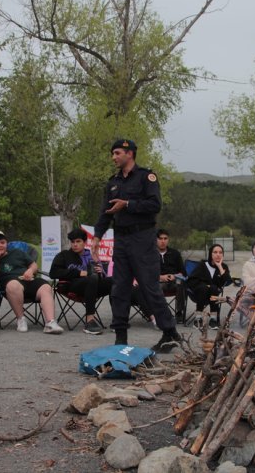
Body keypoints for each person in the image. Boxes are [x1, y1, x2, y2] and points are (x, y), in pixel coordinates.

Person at [91, 139, 181, 351]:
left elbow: (155, 204)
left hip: (142, 238)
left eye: (117, 153)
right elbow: (106, 212)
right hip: (121, 240)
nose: (113, 157)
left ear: (130, 154)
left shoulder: (145, 177)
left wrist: (128, 204)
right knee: (119, 288)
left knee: (149, 287)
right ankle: (120, 338)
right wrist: (96, 237)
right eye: (112, 153)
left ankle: (169, 332)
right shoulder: (112, 182)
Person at [0, 230, 63, 335]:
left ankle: (50, 323)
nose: (0, 245)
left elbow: (34, 265)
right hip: (11, 287)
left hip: (29, 281)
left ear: (6, 244)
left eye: (2, 242)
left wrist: (30, 270)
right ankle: (21, 319)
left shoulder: (17, 252)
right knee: (13, 285)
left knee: (46, 287)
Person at [50, 228, 111, 335]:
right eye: (73, 242)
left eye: (78, 241)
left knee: (114, 281)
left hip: (93, 287)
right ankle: (90, 321)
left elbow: (101, 277)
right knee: (91, 278)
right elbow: (53, 273)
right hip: (72, 286)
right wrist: (78, 273)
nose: (75, 244)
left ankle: (118, 320)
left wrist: (101, 272)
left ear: (85, 242)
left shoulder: (91, 255)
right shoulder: (64, 255)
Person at [131, 228, 185, 327]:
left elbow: (183, 272)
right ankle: (160, 313)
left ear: (168, 240)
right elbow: (144, 273)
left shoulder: (175, 253)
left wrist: (174, 276)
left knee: (181, 283)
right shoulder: (149, 254)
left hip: (173, 282)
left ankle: (179, 312)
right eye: (160, 238)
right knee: (151, 287)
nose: (163, 241)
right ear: (155, 240)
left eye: (165, 238)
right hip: (156, 283)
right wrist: (160, 277)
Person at [187, 243, 233, 330]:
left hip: (214, 293)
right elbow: (192, 280)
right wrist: (205, 285)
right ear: (210, 254)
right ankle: (198, 318)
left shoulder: (223, 267)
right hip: (199, 293)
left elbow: (227, 281)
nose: (218, 255)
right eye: (215, 252)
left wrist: (219, 267)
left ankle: (213, 319)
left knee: (213, 288)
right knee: (204, 288)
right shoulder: (203, 265)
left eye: (220, 252)